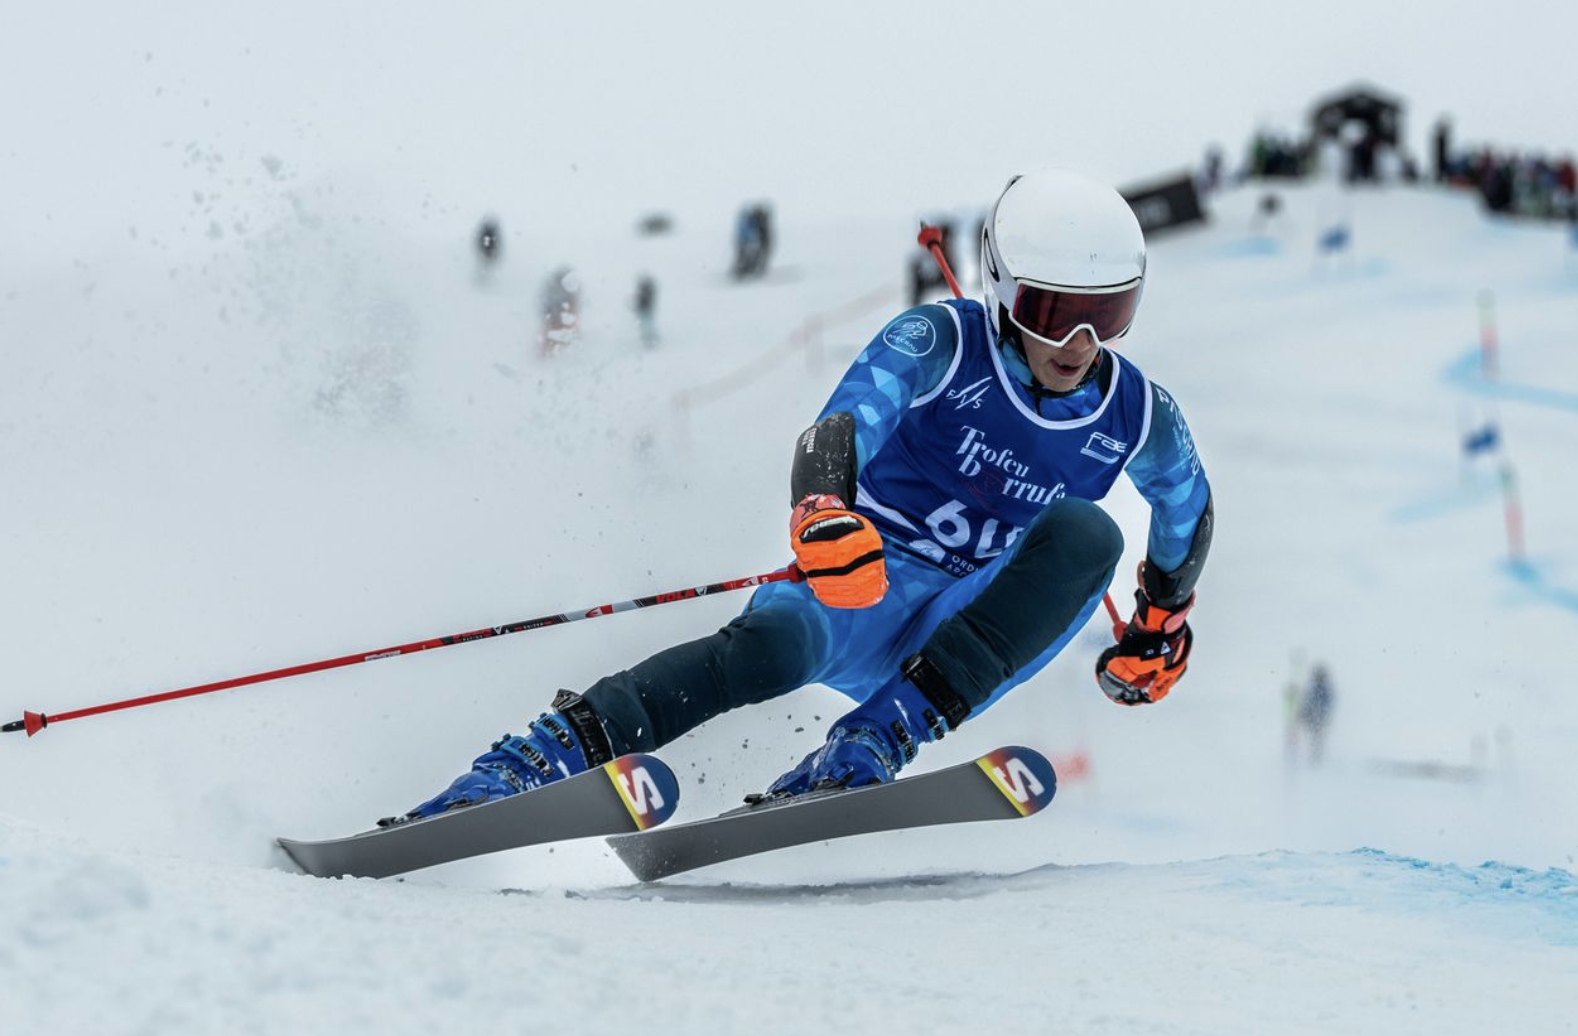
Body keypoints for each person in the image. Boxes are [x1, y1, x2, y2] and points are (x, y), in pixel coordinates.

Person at [392, 169, 1214, 823]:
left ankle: (875, 739)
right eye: (1053, 312)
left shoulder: (1137, 412)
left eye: (1107, 316)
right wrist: (823, 510)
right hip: (863, 580)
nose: (1078, 344)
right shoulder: (942, 341)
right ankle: (541, 755)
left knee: (1088, 534)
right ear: (1002, 290)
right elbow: (840, 429)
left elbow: (1188, 506)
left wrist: (1160, 620)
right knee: (766, 654)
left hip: (965, 625)